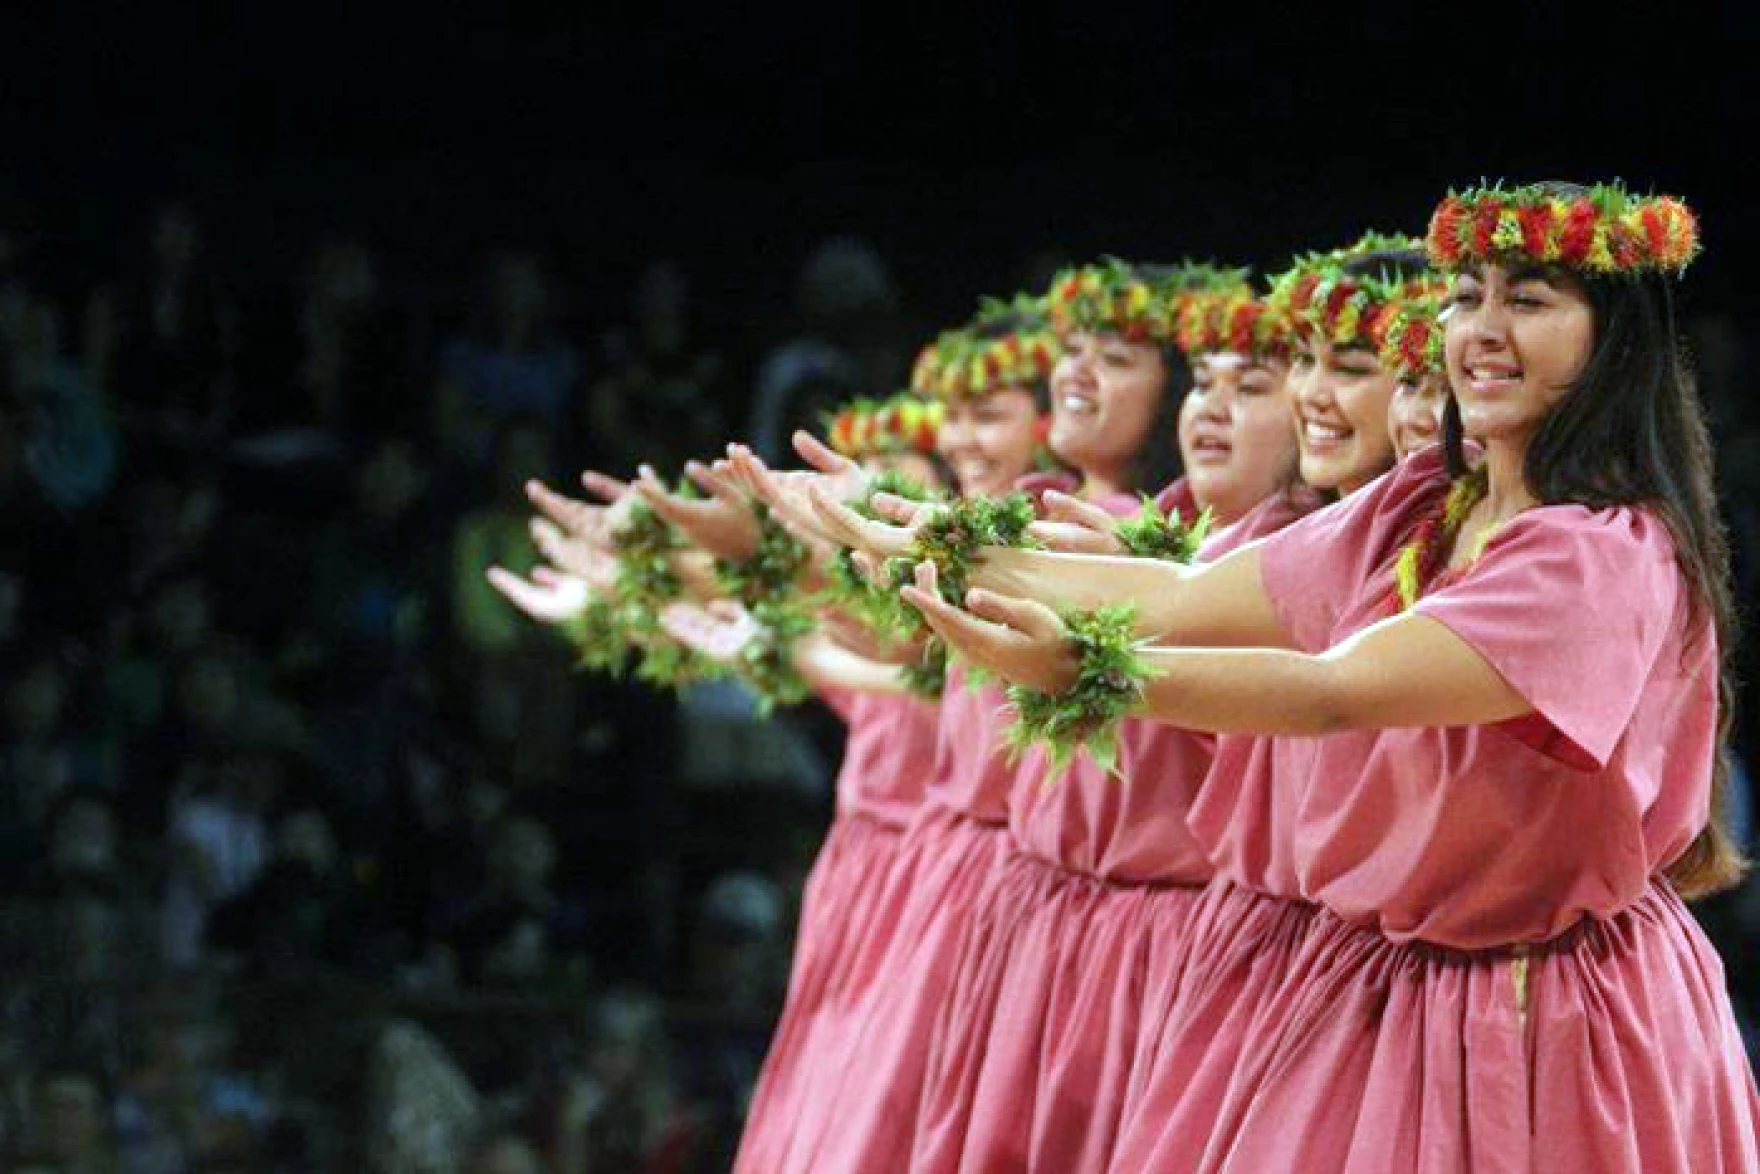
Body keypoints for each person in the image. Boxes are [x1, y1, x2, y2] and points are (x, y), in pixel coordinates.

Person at [902, 181, 1760, 1171]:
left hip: (1527, 1011)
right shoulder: (1423, 508)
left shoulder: (1594, 557)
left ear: (1613, 338)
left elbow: (1331, 690)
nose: (1480, 328)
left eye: (1526, 298)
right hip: (1368, 977)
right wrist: (930, 547)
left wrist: (1081, 667)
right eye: (1464, 295)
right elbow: (1185, 596)